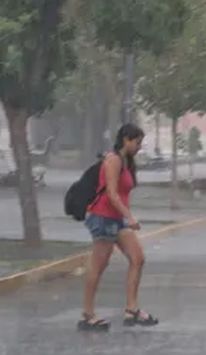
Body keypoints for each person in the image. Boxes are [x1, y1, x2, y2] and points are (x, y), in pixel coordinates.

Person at [79, 123, 159, 332]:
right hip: (103, 218)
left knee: (138, 258)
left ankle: (131, 309)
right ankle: (87, 315)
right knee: (98, 267)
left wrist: (125, 217)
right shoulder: (113, 160)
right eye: (137, 142)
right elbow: (112, 194)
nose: (139, 146)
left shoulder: (126, 161)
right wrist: (129, 216)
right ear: (126, 140)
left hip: (117, 219)